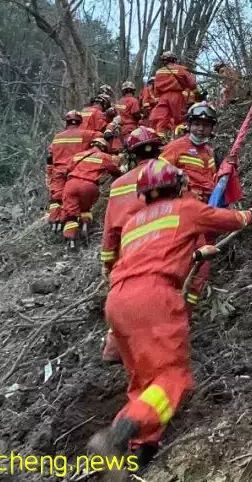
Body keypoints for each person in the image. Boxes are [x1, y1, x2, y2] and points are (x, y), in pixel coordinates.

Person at [86, 161, 252, 473]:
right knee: (173, 379)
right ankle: (117, 437)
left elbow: (150, 252)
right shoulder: (185, 208)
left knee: (144, 380)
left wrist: (193, 254)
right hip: (154, 296)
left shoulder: (132, 223)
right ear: (179, 185)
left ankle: (138, 452)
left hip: (117, 301)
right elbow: (231, 218)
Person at [100, 126, 163, 364]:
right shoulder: (169, 174)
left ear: (131, 154)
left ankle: (115, 348)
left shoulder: (118, 186)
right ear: (158, 150)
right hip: (160, 248)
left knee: (125, 298)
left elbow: (110, 232)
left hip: (128, 253)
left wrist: (108, 264)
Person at [159, 102, 220, 307]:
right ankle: (183, 304)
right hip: (183, 211)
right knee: (202, 255)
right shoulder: (177, 147)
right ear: (189, 124)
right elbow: (158, 176)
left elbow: (211, 181)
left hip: (205, 210)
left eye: (206, 125)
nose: (201, 129)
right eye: (197, 124)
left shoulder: (209, 153)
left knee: (204, 255)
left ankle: (188, 303)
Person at [62, 133, 123, 246]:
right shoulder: (105, 157)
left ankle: (70, 242)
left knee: (71, 214)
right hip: (89, 186)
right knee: (85, 209)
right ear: (104, 148)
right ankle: (85, 229)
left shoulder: (78, 155)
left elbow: (66, 170)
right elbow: (115, 171)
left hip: (71, 184)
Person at [46, 111, 88, 231]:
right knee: (72, 198)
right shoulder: (85, 134)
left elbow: (49, 156)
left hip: (58, 171)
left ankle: (55, 221)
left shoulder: (57, 137)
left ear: (67, 122)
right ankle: (70, 225)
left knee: (57, 198)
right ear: (80, 122)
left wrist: (50, 172)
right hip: (74, 172)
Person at [150, 52, 197, 139]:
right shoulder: (181, 69)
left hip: (163, 97)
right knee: (180, 119)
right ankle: (181, 138)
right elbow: (192, 84)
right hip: (177, 96)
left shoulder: (158, 72)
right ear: (175, 59)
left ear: (164, 61)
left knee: (162, 119)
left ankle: (160, 139)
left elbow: (156, 89)